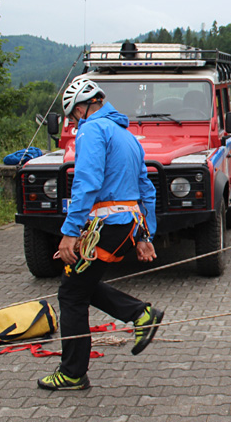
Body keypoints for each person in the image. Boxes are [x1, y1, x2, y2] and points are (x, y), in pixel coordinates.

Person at [37, 78, 163, 391]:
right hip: (126, 225)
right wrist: (146, 235)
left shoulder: (92, 130)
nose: (74, 122)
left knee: (70, 293)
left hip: (108, 224)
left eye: (73, 116)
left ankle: (73, 373)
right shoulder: (127, 135)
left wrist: (70, 231)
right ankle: (140, 313)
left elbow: (87, 182)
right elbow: (146, 188)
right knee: (80, 284)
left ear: (81, 108)